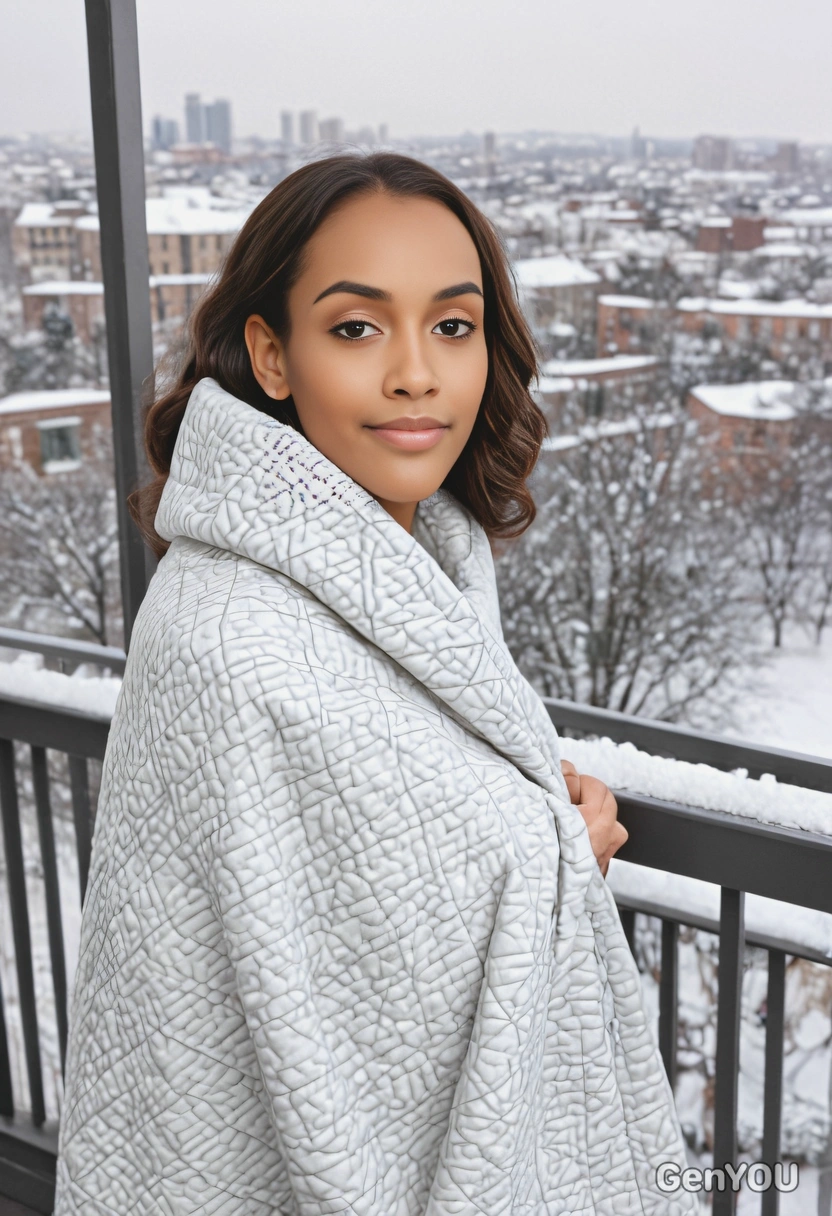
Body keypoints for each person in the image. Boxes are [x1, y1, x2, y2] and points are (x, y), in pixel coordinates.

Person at [53, 152, 695, 1215]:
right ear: (271, 353)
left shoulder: (420, 568)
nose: (416, 374)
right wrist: (548, 847)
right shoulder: (227, 634)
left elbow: (381, 800)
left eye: (452, 325)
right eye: (356, 327)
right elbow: (326, 943)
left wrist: (530, 793)